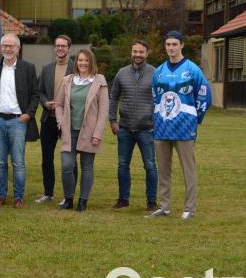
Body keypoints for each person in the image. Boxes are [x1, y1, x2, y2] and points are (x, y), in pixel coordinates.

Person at [147, 31, 212, 220]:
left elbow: (205, 95)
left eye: (174, 44)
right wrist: (156, 118)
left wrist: (194, 118)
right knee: (163, 170)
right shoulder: (158, 71)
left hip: (184, 128)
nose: (171, 48)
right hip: (162, 128)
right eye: (168, 44)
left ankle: (189, 208)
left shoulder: (192, 70)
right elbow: (154, 98)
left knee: (188, 170)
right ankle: (164, 206)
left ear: (181, 45)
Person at [0, 33, 39, 209]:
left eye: (11, 46)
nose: (8, 49)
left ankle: (18, 197)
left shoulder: (28, 68)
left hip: (18, 121)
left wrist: (29, 114)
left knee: (18, 162)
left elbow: (35, 93)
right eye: (5, 46)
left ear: (18, 48)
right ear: (1, 48)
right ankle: (0, 196)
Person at [55, 48, 109, 212]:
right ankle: (69, 199)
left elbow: (103, 110)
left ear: (91, 62)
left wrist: (97, 133)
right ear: (76, 62)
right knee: (67, 166)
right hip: (69, 131)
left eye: (86, 60)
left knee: (87, 167)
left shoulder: (99, 81)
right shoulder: (67, 80)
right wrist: (60, 122)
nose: (83, 63)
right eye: (80, 60)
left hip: (89, 132)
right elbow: (59, 104)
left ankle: (83, 201)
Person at [109, 40, 158, 211]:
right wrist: (112, 120)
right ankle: (123, 199)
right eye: (135, 51)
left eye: (141, 52)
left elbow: (162, 99)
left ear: (147, 53)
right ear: (131, 52)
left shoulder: (155, 73)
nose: (137, 55)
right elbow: (113, 97)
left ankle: (151, 202)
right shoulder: (122, 73)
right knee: (123, 165)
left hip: (147, 128)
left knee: (150, 165)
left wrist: (156, 123)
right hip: (125, 128)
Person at [35, 34, 75, 203]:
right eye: (57, 46)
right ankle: (48, 193)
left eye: (63, 46)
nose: (60, 49)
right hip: (48, 119)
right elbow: (39, 91)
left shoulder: (76, 68)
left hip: (69, 120)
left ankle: (70, 195)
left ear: (69, 48)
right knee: (47, 158)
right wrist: (45, 103)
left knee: (70, 159)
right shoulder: (47, 69)